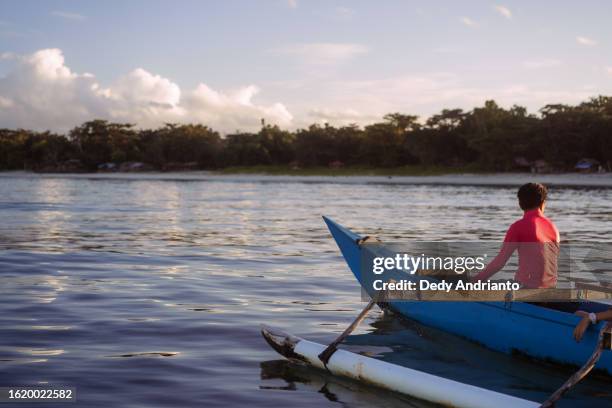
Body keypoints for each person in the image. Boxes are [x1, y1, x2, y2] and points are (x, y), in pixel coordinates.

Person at [471, 182, 560, 288]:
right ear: (543, 203)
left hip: (525, 290)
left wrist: (473, 282)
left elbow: (500, 262)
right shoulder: (554, 228)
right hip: (551, 290)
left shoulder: (518, 227)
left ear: (520, 203)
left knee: (472, 282)